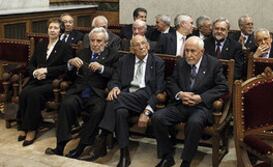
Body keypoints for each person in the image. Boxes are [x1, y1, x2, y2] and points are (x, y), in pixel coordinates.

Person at [79, 35, 165, 167]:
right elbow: (114, 79)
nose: (141, 47)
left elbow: (158, 90)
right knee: (120, 112)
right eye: (137, 45)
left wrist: (148, 110)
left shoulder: (157, 62)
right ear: (132, 49)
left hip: (143, 97)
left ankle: (101, 138)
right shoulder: (125, 60)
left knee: (114, 100)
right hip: (125, 96)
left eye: (143, 43)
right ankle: (125, 154)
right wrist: (114, 87)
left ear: (148, 45)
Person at [152, 36, 228, 167]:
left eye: (193, 51)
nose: (188, 54)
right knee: (157, 117)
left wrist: (201, 98)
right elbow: (171, 81)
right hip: (181, 104)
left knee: (195, 122)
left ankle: (186, 160)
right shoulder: (181, 62)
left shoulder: (213, 64)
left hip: (201, 107)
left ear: (202, 52)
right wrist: (180, 94)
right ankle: (167, 156)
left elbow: (222, 87)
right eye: (186, 51)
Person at [45, 27, 119, 158]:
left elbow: (116, 74)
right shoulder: (82, 52)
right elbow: (69, 76)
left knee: (98, 110)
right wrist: (70, 64)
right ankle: (60, 146)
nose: (95, 44)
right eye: (92, 40)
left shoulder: (112, 55)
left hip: (97, 94)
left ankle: (81, 147)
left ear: (106, 43)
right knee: (66, 104)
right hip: (78, 91)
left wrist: (102, 68)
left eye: (99, 41)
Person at [16, 18, 72, 146]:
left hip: (52, 82)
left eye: (56, 28)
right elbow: (31, 64)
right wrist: (35, 72)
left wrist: (46, 70)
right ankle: (24, 126)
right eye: (50, 27)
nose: (52, 30)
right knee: (24, 92)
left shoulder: (65, 47)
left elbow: (65, 67)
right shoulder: (41, 44)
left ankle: (32, 129)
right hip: (37, 79)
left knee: (33, 94)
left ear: (60, 31)